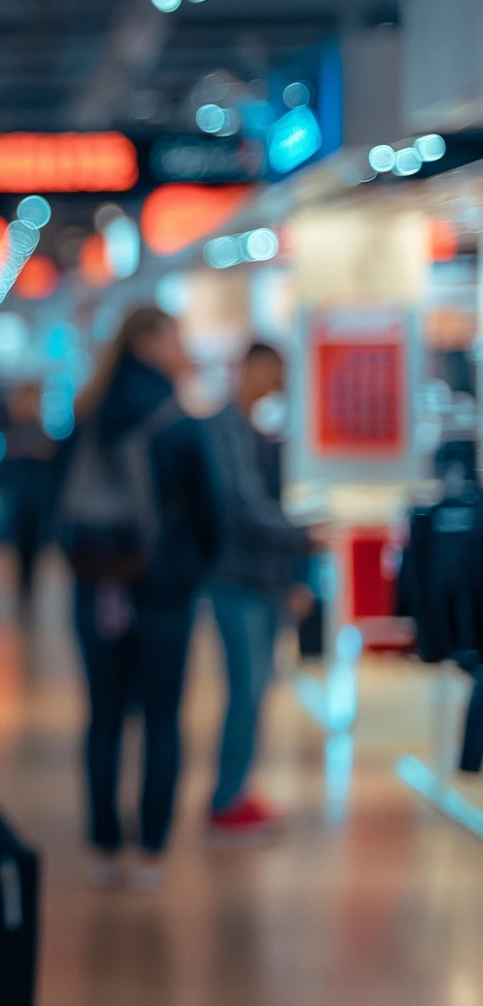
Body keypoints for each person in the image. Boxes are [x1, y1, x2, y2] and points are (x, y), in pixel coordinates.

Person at [53, 306, 220, 890]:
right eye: (176, 335)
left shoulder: (87, 413)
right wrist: (192, 568)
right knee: (161, 719)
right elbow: (209, 513)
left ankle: (103, 844)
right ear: (150, 341)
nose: (183, 347)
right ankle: (150, 847)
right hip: (164, 592)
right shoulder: (177, 420)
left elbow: (58, 501)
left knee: (102, 717)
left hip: (97, 584)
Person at [204, 342, 322, 838]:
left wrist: (296, 570)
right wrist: (303, 538)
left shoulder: (255, 432)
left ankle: (236, 792)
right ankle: (228, 797)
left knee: (254, 690)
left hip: (262, 580)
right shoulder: (225, 431)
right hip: (237, 580)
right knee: (246, 689)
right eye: (271, 372)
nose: (275, 382)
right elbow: (244, 508)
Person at [0, 381, 58, 605]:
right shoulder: (14, 429)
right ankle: (23, 589)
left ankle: (27, 589)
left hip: (35, 499)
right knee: (21, 547)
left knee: (32, 549)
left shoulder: (38, 429)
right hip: (21, 499)